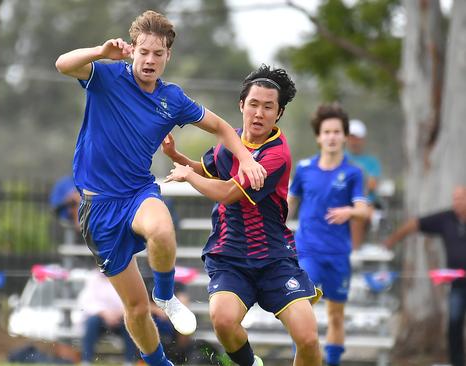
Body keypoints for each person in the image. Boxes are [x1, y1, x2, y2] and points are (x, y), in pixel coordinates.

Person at [55, 10, 267, 366]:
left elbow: (222, 128)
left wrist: (246, 159)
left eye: (158, 53)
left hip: (138, 192)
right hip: (99, 209)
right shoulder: (106, 75)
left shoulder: (173, 99)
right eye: (144, 52)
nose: (150, 60)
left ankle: (166, 295)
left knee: (163, 229)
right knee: (136, 310)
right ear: (132, 50)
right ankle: (157, 363)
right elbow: (62, 64)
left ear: (168, 56)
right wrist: (99, 51)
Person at [162, 65, 322, 366]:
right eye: (254, 104)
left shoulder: (276, 154)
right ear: (242, 105)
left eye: (268, 107)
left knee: (309, 339)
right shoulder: (231, 142)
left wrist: (189, 177)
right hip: (230, 255)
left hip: (274, 258)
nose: (259, 113)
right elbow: (205, 169)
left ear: (279, 113)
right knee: (222, 320)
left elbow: (226, 192)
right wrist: (176, 157)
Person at [287, 104, 370, 366]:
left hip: (337, 254)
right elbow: (288, 204)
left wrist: (349, 211)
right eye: (327, 131)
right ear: (318, 137)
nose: (332, 136)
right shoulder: (304, 169)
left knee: (335, 315)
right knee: (301, 312)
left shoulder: (353, 173)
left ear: (345, 136)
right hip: (307, 251)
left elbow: (364, 210)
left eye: (337, 131)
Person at [384, 186, 466, 366]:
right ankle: (457, 362)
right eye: (455, 199)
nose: (457, 202)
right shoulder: (447, 218)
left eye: (461, 199)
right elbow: (416, 223)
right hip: (458, 284)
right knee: (454, 321)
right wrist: (393, 239)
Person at [77, 270, 138, 366]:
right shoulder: (92, 279)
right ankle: (86, 361)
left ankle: (129, 361)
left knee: (131, 324)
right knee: (91, 322)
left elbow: (130, 302)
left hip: (120, 317)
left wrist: (119, 313)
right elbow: (87, 302)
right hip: (99, 318)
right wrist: (104, 313)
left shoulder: (123, 278)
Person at [345, 119, 383, 246]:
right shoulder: (340, 157)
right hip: (341, 200)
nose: (353, 141)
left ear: (363, 139)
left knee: (356, 216)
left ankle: (353, 253)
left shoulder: (371, 162)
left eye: (356, 138)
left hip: (365, 202)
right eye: (351, 137)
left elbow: (371, 185)